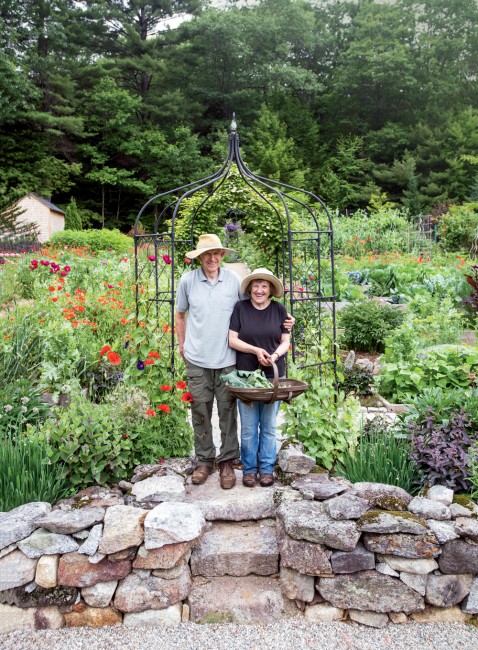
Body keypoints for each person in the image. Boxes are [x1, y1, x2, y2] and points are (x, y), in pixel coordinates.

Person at [175, 234, 294, 490]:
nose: (212, 258)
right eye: (207, 254)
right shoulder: (187, 281)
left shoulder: (233, 281)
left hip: (228, 361)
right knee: (200, 410)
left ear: (222, 255)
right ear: (199, 257)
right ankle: (205, 461)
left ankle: (228, 461)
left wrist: (285, 322)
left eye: (216, 253)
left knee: (228, 412)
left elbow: (255, 309)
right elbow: (180, 314)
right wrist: (181, 345)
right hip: (197, 358)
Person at [228, 268, 291, 488]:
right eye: (256, 285)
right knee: (248, 426)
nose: (260, 290)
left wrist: (274, 356)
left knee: (269, 425)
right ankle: (248, 470)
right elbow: (232, 340)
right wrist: (256, 350)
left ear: (271, 290)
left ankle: (266, 469)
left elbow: (285, 341)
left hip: (272, 375)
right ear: (250, 288)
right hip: (245, 376)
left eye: (264, 286)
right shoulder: (240, 308)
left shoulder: (280, 310)